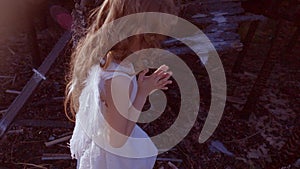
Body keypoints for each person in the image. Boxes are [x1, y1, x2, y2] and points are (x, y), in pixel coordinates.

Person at [64, 0, 178, 168]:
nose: (156, 42)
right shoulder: (118, 79)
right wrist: (141, 94)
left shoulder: (103, 55)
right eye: (155, 34)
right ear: (140, 31)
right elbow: (117, 140)